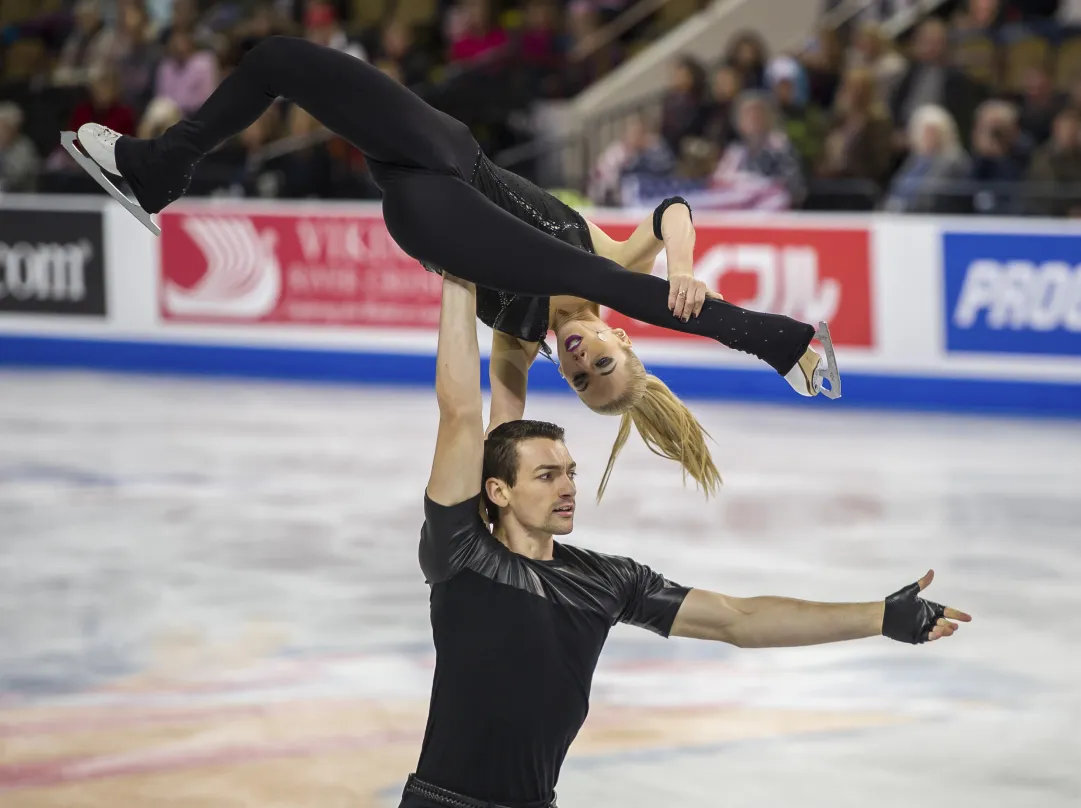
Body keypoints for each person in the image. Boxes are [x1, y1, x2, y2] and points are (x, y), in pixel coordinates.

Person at [69, 36, 840, 498]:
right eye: (601, 362)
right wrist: (683, 263)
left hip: (422, 212)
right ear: (625, 344)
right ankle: (160, 167)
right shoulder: (612, 260)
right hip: (444, 150)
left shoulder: (514, 347)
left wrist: (513, 512)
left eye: (577, 381)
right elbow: (673, 209)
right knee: (274, 60)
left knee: (585, 284)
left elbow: (498, 435)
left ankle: (783, 341)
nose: (578, 361)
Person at [401, 269, 971, 808]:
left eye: (570, 472)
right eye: (547, 476)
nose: (568, 486)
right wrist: (458, 271)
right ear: (498, 492)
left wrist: (878, 616)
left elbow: (737, 619)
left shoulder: (606, 580)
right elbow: (459, 412)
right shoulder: (463, 553)